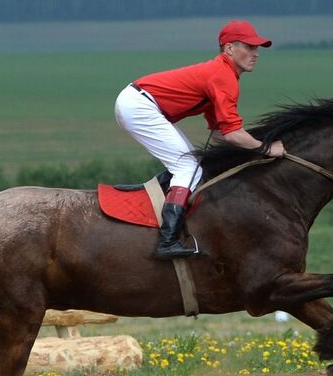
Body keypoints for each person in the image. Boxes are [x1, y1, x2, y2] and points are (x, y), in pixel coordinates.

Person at [115, 19, 286, 258]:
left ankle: (160, 204)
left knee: (190, 161)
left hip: (137, 102)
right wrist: (267, 149)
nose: (255, 53)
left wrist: (241, 153)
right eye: (249, 47)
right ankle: (167, 240)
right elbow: (233, 134)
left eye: (257, 48)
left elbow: (220, 132)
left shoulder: (221, 73)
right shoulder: (222, 75)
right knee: (188, 165)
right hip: (140, 106)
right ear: (228, 48)